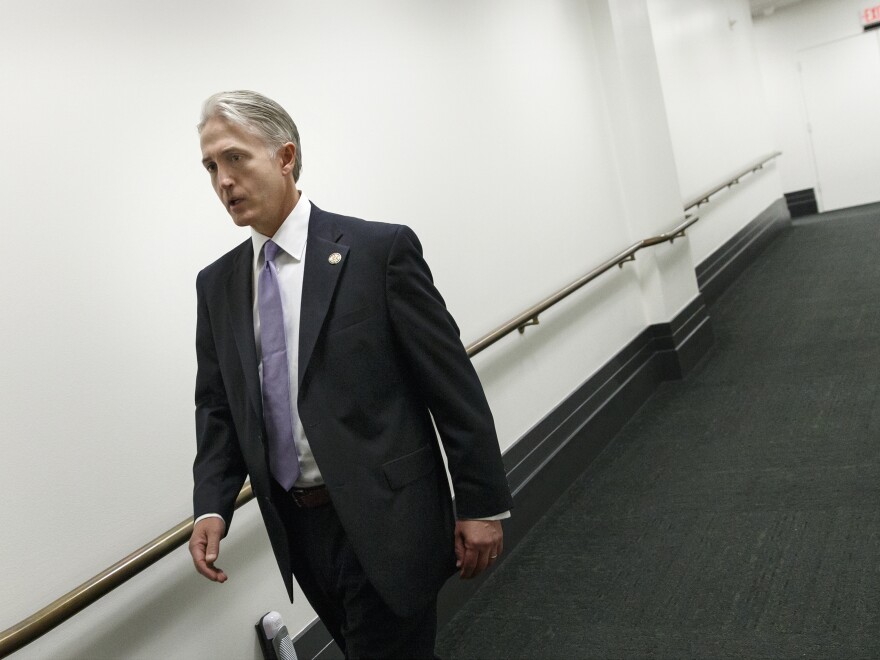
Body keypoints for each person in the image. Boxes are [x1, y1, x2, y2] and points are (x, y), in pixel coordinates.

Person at [187, 90, 513, 659]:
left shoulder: (376, 251)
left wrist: (480, 503)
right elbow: (218, 406)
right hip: (299, 528)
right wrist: (211, 504)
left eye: (236, 158)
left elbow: (451, 385)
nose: (223, 180)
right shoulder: (217, 285)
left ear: (285, 157)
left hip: (389, 518)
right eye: (211, 166)